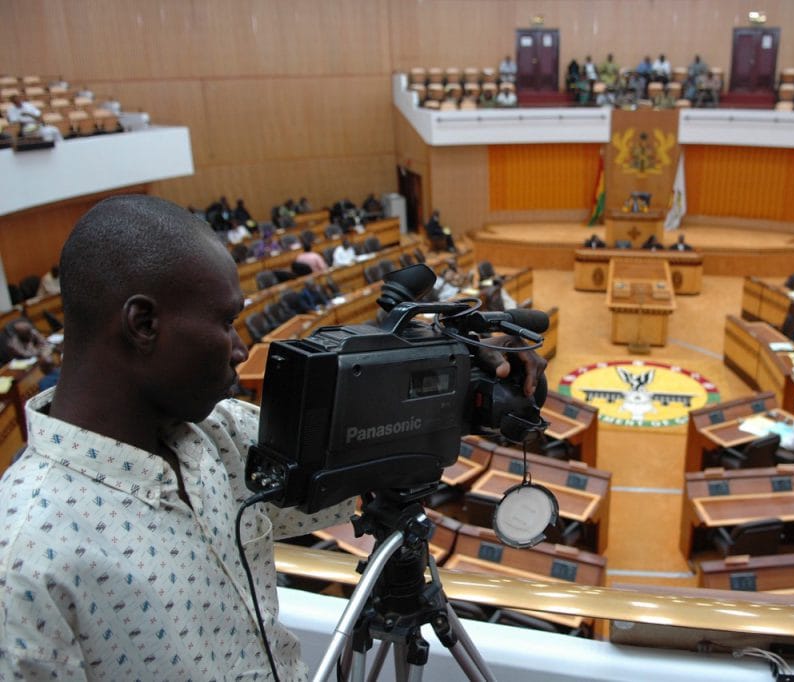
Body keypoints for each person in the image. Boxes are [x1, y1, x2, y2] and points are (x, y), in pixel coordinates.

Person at [0, 194, 548, 679]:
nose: (241, 350)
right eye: (226, 323)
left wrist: (467, 379)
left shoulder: (217, 438)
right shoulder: (24, 561)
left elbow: (374, 443)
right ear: (144, 324)